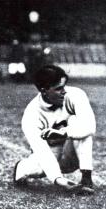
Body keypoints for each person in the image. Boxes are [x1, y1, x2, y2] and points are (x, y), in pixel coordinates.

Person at [13, 65, 96, 194]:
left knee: (77, 122)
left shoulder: (76, 95)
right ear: (44, 90)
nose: (64, 91)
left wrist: (64, 132)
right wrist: (58, 179)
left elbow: (89, 127)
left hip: (71, 153)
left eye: (64, 86)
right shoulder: (31, 114)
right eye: (58, 89)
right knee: (37, 169)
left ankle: (86, 178)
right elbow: (42, 151)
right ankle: (20, 168)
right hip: (50, 153)